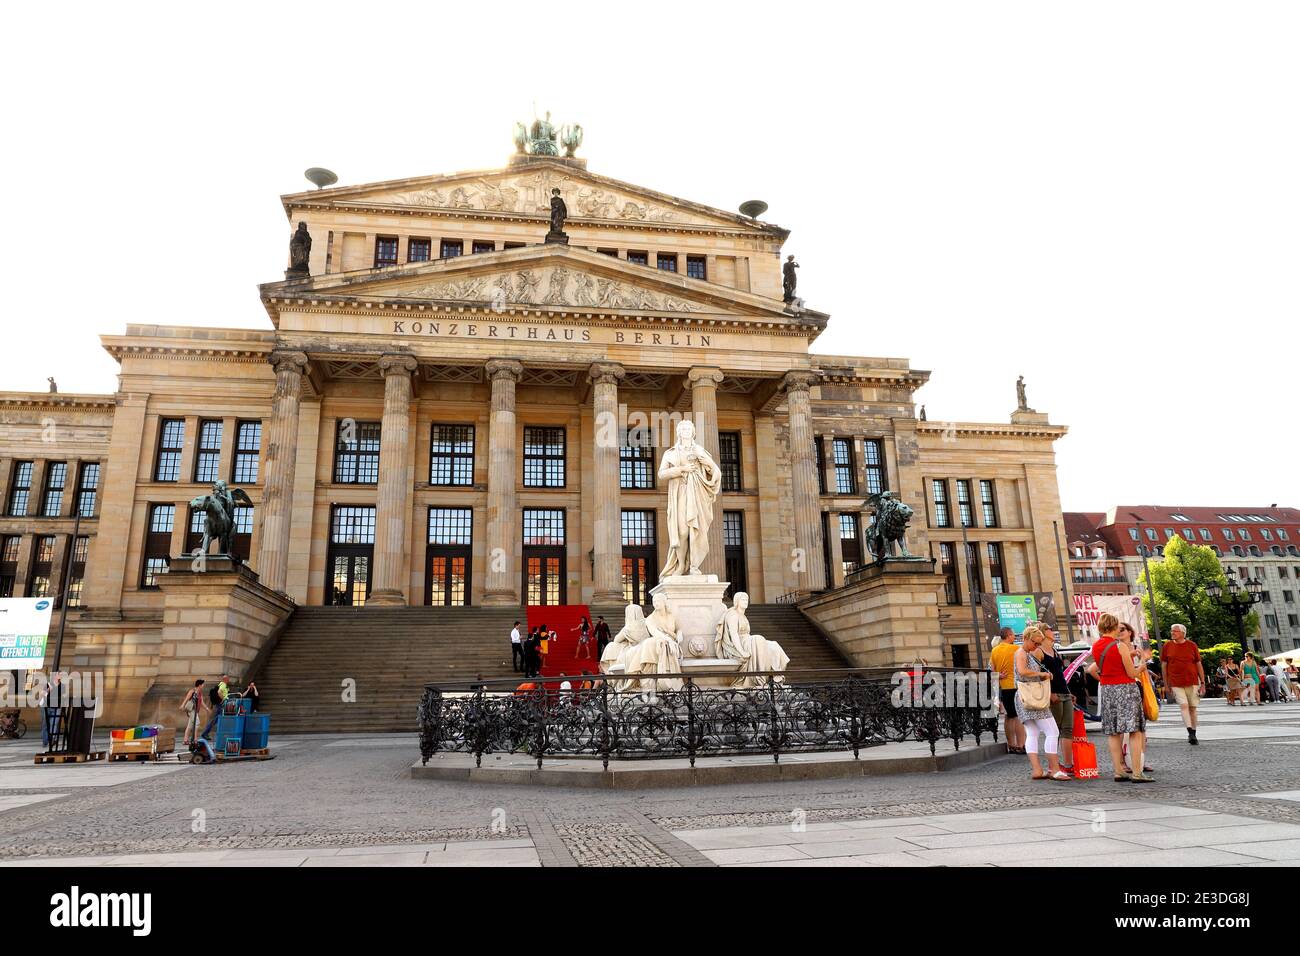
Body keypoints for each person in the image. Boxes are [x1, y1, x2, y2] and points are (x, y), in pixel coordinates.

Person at [1088, 613, 1152, 783]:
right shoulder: (1120, 645)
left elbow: (1097, 668)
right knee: (1135, 731)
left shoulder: (1095, 646)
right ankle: (1137, 772)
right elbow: (1131, 673)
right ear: (1114, 626)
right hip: (1126, 689)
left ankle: (1118, 771)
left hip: (1108, 690)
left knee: (1114, 732)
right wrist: (1143, 666)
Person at [1014, 623, 1067, 780]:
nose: (1036, 646)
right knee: (1053, 732)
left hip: (1024, 697)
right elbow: (1022, 671)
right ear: (1025, 638)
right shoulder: (1021, 653)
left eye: (1039, 643)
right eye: (1035, 643)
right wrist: (1042, 675)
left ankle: (1037, 770)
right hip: (1032, 696)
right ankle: (1055, 770)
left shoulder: (1026, 653)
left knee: (1033, 733)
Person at [1036, 624, 1075, 775]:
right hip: (1053, 694)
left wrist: (1069, 691)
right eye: (1050, 629)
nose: (1053, 631)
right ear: (1043, 633)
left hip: (1064, 692)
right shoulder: (1038, 652)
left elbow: (1060, 674)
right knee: (1055, 730)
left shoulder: (1055, 651)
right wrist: (1050, 693)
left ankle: (1068, 764)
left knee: (1068, 729)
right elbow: (1038, 675)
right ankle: (1054, 764)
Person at [1160, 623, 1205, 745]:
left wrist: (1203, 682)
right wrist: (1166, 683)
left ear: (1183, 633)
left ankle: (1194, 731)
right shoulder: (1167, 646)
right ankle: (1190, 732)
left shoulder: (1192, 645)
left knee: (1192, 708)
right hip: (1175, 682)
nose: (1172, 633)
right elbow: (1164, 666)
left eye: (1175, 631)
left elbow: (1198, 664)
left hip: (1192, 681)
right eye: (1172, 631)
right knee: (1184, 706)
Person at [989, 630, 1025, 754]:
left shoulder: (995, 651)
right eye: (1013, 635)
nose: (1014, 636)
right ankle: (1021, 744)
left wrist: (999, 675)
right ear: (1009, 636)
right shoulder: (1016, 649)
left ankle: (1011, 744)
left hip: (1004, 687)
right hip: (1016, 686)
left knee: (1009, 716)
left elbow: (992, 671)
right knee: (1019, 716)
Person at [180, 679, 207, 746]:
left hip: (196, 711)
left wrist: (207, 708)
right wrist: (182, 705)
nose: (204, 685)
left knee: (190, 726)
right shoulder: (192, 691)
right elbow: (186, 699)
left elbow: (202, 702)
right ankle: (195, 739)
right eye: (203, 684)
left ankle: (185, 740)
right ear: (199, 685)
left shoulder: (200, 693)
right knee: (197, 723)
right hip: (191, 710)